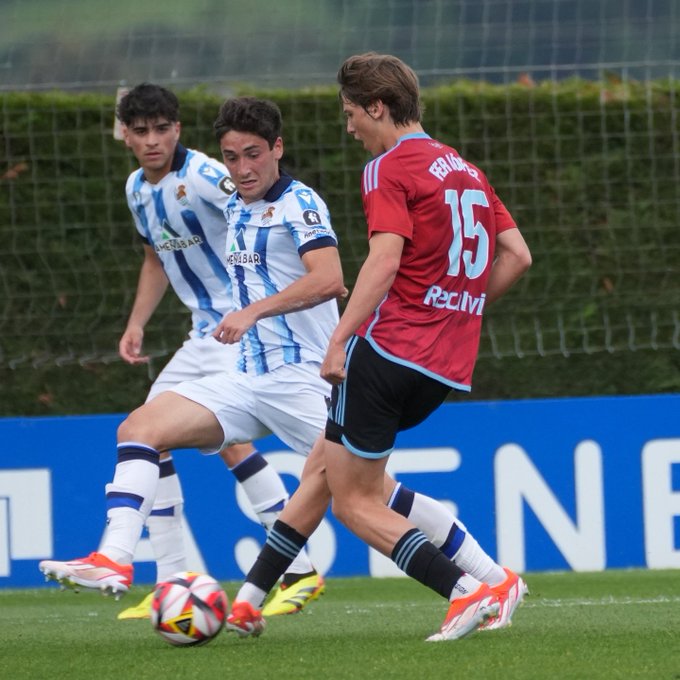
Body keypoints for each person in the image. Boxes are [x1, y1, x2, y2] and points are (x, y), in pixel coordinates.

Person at [225, 54, 532, 642]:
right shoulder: (465, 169)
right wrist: (458, 312)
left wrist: (339, 339)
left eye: (350, 114)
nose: (349, 128)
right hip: (444, 367)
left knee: (355, 503)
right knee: (324, 468)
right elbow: (517, 254)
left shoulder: (387, 168)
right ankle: (250, 599)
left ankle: (465, 592)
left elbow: (384, 259)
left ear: (377, 107)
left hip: (386, 353)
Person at [39, 84, 325, 618]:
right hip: (202, 334)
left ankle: (298, 567)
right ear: (124, 135)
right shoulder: (135, 189)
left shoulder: (206, 176)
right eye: (140, 131)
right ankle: (167, 577)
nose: (152, 141)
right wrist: (136, 324)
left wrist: (292, 284)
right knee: (148, 434)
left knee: (226, 440)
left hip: (239, 334)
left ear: (178, 130)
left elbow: (259, 202)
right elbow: (154, 259)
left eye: (162, 129)